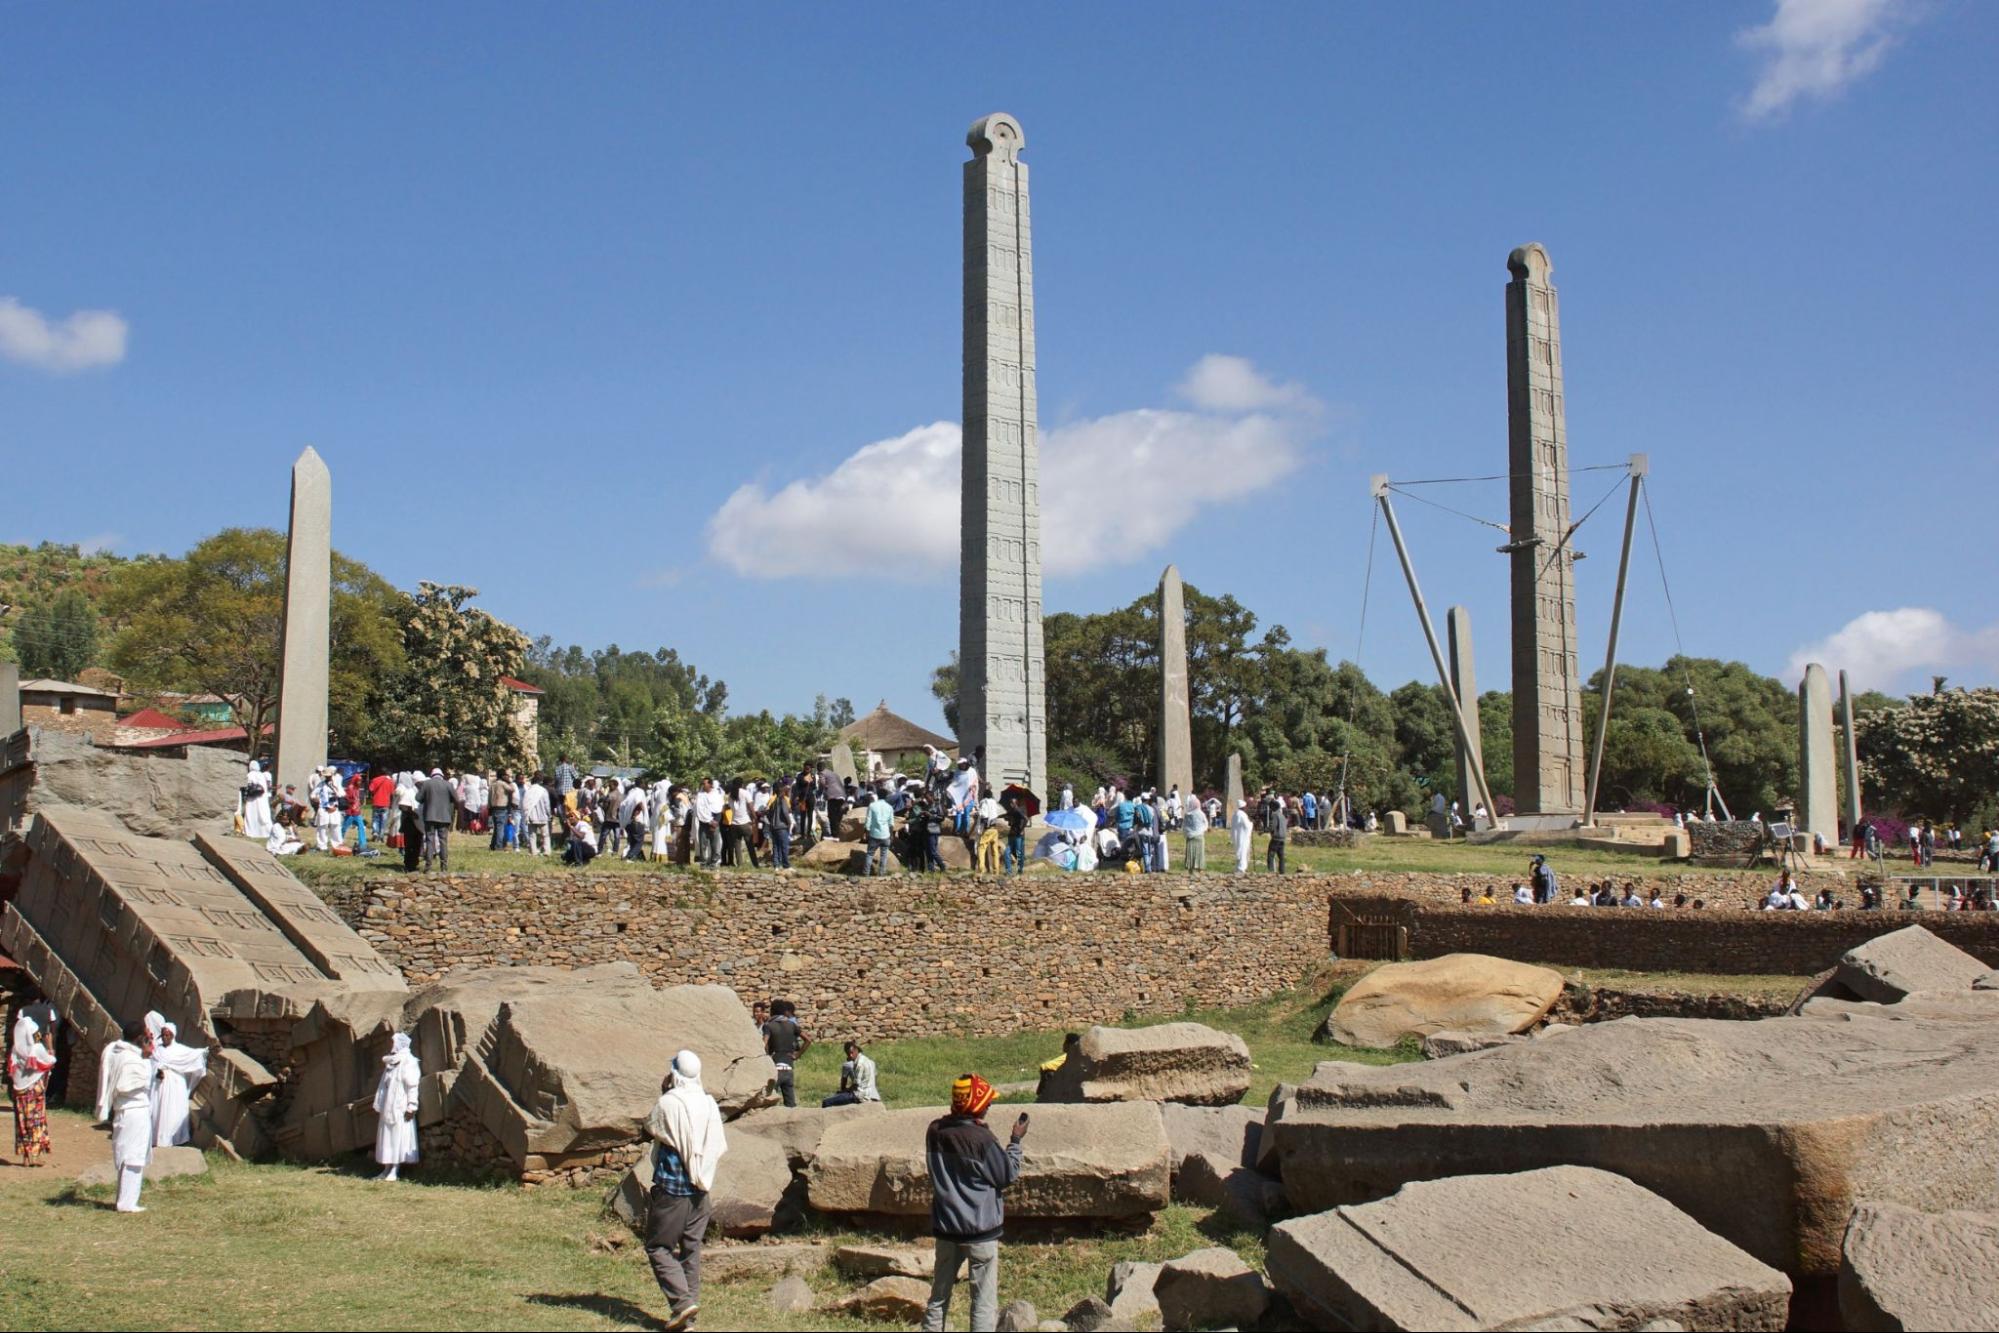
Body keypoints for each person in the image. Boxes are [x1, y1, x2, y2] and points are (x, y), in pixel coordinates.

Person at [922, 1075, 1026, 1333]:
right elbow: (1006, 1175)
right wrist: (1015, 1142)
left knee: (938, 1297)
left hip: (946, 1228)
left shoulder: (934, 1131)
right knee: (982, 1304)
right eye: (986, 1103)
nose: (988, 1107)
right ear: (975, 1104)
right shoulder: (981, 1139)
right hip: (980, 1232)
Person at [645, 1050, 727, 1332]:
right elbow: (717, 1143)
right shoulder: (708, 1103)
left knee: (658, 1247)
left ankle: (681, 1303)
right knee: (690, 1251)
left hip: (673, 1188)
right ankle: (688, 1318)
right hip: (701, 1188)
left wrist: (664, 1092)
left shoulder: (669, 1102)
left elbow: (652, 1127)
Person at [96, 1018, 154, 1211]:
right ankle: (127, 1202)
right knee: (132, 1157)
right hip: (133, 1111)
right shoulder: (130, 1059)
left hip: (129, 1112)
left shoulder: (118, 1052)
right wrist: (146, 1059)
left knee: (129, 1156)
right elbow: (140, 1082)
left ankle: (126, 1199)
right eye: (146, 1036)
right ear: (140, 1038)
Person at [145, 1013, 207, 1147]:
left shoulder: (179, 1050)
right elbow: (151, 1062)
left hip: (174, 1084)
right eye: (163, 1034)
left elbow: (194, 1055)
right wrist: (157, 1070)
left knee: (172, 1111)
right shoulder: (157, 1049)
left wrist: (204, 1052)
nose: (166, 1037)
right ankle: (155, 1137)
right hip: (158, 1085)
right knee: (157, 1110)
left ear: (173, 1035)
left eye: (168, 1034)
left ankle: (172, 1138)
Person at [9, 1005, 57, 1166]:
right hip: (34, 1091)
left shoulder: (16, 1050)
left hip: (19, 1091)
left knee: (22, 1122)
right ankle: (35, 1155)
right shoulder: (37, 1049)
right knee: (35, 1122)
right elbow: (50, 1062)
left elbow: (13, 1069)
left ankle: (26, 1156)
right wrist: (50, 1049)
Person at [374, 1032, 421, 1182]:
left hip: (400, 1106)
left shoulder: (409, 1061)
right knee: (387, 1136)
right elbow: (383, 1085)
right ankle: (386, 1168)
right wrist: (380, 1102)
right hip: (388, 1105)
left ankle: (395, 1169)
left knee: (398, 1136)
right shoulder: (391, 1062)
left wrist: (411, 1105)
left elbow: (412, 1085)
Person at [762, 1000, 810, 1109]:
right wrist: (797, 1055)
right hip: (788, 1068)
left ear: (772, 1011)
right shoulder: (792, 1025)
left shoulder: (769, 1026)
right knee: (791, 1105)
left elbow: (764, 1044)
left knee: (768, 1103)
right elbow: (808, 1040)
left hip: (775, 1069)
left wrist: (767, 1057)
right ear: (784, 1012)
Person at [417, 768, 456, 872]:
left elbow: (418, 798)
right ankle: (444, 866)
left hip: (429, 816)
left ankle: (428, 865)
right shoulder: (448, 784)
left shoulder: (426, 784)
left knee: (430, 840)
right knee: (443, 841)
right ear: (442, 775)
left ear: (432, 775)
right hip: (444, 817)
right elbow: (456, 798)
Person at [821, 1040, 881, 1108]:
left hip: (860, 1096)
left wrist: (846, 1090)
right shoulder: (869, 1061)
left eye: (852, 1053)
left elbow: (856, 1085)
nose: (850, 1055)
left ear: (856, 1050)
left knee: (826, 1102)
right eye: (848, 1054)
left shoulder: (859, 1064)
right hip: (870, 1093)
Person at [240, 760, 274, 842]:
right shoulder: (261, 775)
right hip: (262, 799)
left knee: (251, 815)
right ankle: (265, 831)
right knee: (263, 814)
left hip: (252, 799)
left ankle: (251, 831)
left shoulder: (249, 775)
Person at [865, 787, 895, 876]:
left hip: (874, 834)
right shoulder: (889, 807)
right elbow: (891, 823)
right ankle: (881, 873)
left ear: (877, 795)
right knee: (884, 855)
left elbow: (868, 821)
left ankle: (866, 873)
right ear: (886, 796)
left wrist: (866, 833)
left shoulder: (872, 806)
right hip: (885, 834)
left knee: (870, 854)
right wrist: (891, 835)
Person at [1000, 793, 1029, 877]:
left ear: (1015, 803)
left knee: (1019, 853)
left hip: (1018, 835)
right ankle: (1009, 871)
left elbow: (1026, 819)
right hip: (1012, 835)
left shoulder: (1018, 810)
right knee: (1007, 852)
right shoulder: (1012, 811)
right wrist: (1000, 817)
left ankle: (1020, 870)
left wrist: (1021, 829)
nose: (1010, 804)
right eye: (1010, 803)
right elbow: (1007, 816)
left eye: (1012, 803)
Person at [368, 768, 396, 843]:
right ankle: (381, 836)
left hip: (376, 802)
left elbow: (370, 790)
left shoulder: (375, 779)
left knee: (375, 819)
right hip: (386, 803)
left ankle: (375, 832)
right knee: (383, 821)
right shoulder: (391, 782)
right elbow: (392, 794)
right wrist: (391, 804)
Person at [1182, 797, 1208, 871]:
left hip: (1190, 837)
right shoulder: (1201, 814)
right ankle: (1199, 868)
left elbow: (1184, 826)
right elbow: (1206, 824)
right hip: (1199, 837)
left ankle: (1191, 869)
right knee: (1199, 854)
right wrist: (1201, 830)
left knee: (1191, 854)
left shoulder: (1187, 815)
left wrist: (1187, 833)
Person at [1264, 794, 1288, 874]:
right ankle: (1282, 871)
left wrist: (1264, 831)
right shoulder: (1282, 815)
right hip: (1283, 837)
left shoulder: (1274, 815)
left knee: (1271, 855)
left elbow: (1272, 827)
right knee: (1281, 856)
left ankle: (1271, 871)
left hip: (1276, 837)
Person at [1230, 800, 1253, 874]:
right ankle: (1241, 868)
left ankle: (1237, 867)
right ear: (1244, 807)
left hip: (1236, 836)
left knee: (1238, 851)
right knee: (1243, 851)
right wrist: (1251, 824)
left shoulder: (1235, 814)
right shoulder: (1243, 815)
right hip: (1243, 836)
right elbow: (1247, 826)